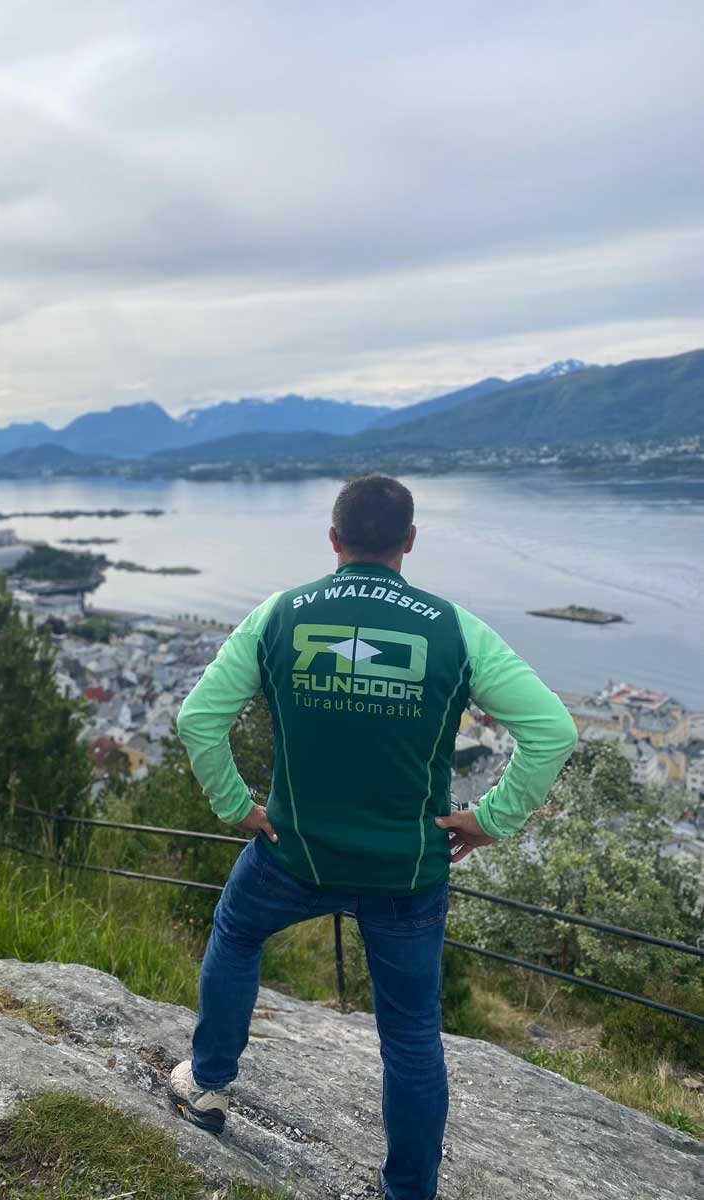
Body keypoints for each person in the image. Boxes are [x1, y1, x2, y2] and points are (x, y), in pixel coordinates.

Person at [169, 474, 577, 1200]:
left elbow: (199, 719)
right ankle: (409, 1191)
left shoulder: (281, 613)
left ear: (334, 540)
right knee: (411, 1034)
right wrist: (493, 817)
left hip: (293, 853)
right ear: (409, 542)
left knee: (235, 933)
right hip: (408, 867)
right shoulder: (455, 629)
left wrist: (236, 804)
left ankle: (207, 1086)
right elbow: (552, 730)